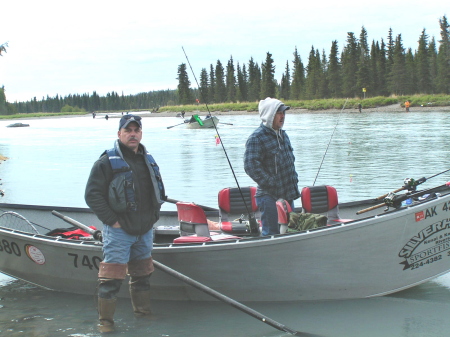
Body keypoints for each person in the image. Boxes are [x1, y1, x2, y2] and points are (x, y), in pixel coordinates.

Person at [85, 114, 166, 332]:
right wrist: (113, 221)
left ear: (140, 133)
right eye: (128, 130)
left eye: (136, 130)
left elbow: (157, 191)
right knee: (111, 278)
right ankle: (106, 323)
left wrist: (153, 218)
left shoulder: (148, 159)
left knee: (142, 274)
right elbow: (92, 196)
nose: (132, 134)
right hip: (119, 231)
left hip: (145, 229)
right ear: (119, 134)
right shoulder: (105, 162)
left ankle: (143, 313)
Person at [244, 97, 300, 236]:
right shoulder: (256, 138)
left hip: (288, 196)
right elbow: (250, 166)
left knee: (290, 233)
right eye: (279, 113)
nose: (282, 116)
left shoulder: (283, 135)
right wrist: (272, 183)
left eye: (283, 113)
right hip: (269, 197)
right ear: (269, 115)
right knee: (271, 234)